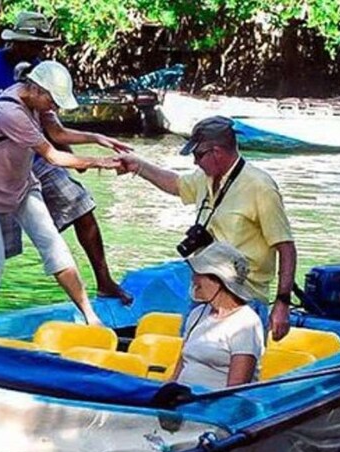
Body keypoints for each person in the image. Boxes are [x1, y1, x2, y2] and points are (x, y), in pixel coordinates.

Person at [0, 11, 134, 304]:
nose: (38, 51)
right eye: (33, 44)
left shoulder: (40, 71)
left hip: (35, 159)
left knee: (81, 205)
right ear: (16, 42)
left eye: (42, 46)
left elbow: (53, 129)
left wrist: (92, 142)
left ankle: (104, 281)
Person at [0, 61, 118, 325]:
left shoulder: (35, 102)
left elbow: (57, 132)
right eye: (53, 101)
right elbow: (53, 156)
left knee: (56, 249)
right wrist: (100, 162)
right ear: (37, 90)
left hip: (23, 189)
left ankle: (91, 316)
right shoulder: (10, 113)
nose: (54, 108)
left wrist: (98, 138)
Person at [116, 116, 297, 340]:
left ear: (217, 151)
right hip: (203, 290)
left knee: (236, 364)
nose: (195, 162)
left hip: (244, 295)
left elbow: (286, 248)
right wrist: (139, 166)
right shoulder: (205, 177)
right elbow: (176, 184)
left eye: (198, 155)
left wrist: (282, 303)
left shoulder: (260, 187)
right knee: (191, 354)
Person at [171, 241, 264, 390]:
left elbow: (236, 389)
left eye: (199, 275)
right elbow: (179, 367)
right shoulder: (197, 314)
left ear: (218, 281)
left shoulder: (246, 324)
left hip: (212, 406)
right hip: (182, 400)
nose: (194, 280)